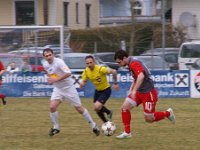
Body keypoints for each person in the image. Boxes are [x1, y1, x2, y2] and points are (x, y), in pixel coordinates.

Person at [114, 50, 175, 139]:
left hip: (148, 93)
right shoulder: (131, 63)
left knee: (149, 119)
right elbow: (135, 78)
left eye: (119, 62)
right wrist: (131, 91)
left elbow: (141, 76)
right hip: (139, 92)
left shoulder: (133, 63)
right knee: (125, 108)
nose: (119, 64)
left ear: (124, 58)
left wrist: (134, 91)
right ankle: (127, 133)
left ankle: (168, 113)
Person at [42, 48, 100, 136]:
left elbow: (68, 73)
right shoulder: (45, 64)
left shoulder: (59, 62)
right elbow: (49, 73)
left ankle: (93, 125)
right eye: (46, 56)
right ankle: (56, 127)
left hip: (68, 88)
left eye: (50, 55)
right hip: (58, 89)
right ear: (44, 57)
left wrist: (56, 79)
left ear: (53, 55)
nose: (49, 57)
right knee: (52, 107)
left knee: (79, 109)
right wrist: (50, 79)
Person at [80, 55, 119, 123]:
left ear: (94, 62)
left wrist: (115, 83)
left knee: (96, 107)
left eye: (90, 62)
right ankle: (106, 122)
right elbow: (84, 80)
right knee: (97, 109)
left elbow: (114, 71)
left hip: (106, 90)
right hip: (97, 91)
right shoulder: (86, 71)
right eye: (87, 63)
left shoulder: (101, 69)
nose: (89, 65)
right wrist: (82, 83)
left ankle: (108, 113)